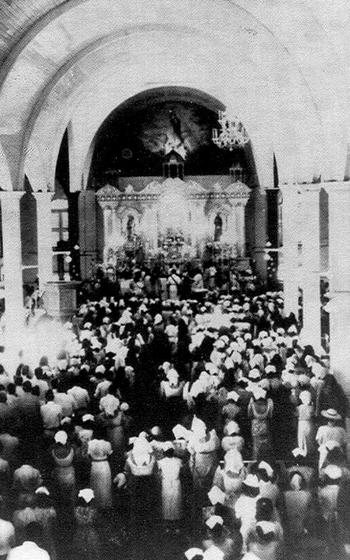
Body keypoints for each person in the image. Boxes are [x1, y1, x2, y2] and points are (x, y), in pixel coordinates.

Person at [157, 441, 183, 531]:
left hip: (168, 484)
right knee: (174, 504)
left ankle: (169, 526)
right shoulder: (179, 461)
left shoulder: (160, 462)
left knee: (168, 504)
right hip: (174, 484)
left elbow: (159, 473)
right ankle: (175, 526)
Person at [88, 434, 113, 510]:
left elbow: (88, 454)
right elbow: (109, 453)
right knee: (105, 485)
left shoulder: (90, 443)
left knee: (95, 486)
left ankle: (96, 505)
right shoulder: (107, 444)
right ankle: (105, 506)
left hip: (95, 465)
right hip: (104, 465)